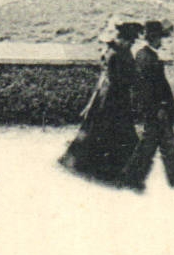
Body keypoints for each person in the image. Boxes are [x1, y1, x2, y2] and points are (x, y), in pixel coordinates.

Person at [60, 20, 144, 186]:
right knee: (111, 128)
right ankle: (109, 168)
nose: (132, 43)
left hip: (106, 94)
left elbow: (107, 76)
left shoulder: (112, 51)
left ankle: (95, 164)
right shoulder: (121, 54)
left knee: (98, 127)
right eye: (131, 40)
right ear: (125, 39)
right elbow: (122, 78)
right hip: (115, 97)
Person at [124, 20, 174, 190]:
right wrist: (160, 108)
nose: (161, 41)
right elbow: (148, 88)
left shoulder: (147, 55)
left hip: (156, 109)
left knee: (161, 145)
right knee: (153, 145)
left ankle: (169, 179)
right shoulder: (147, 58)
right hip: (156, 110)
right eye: (159, 38)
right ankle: (133, 179)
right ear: (155, 38)